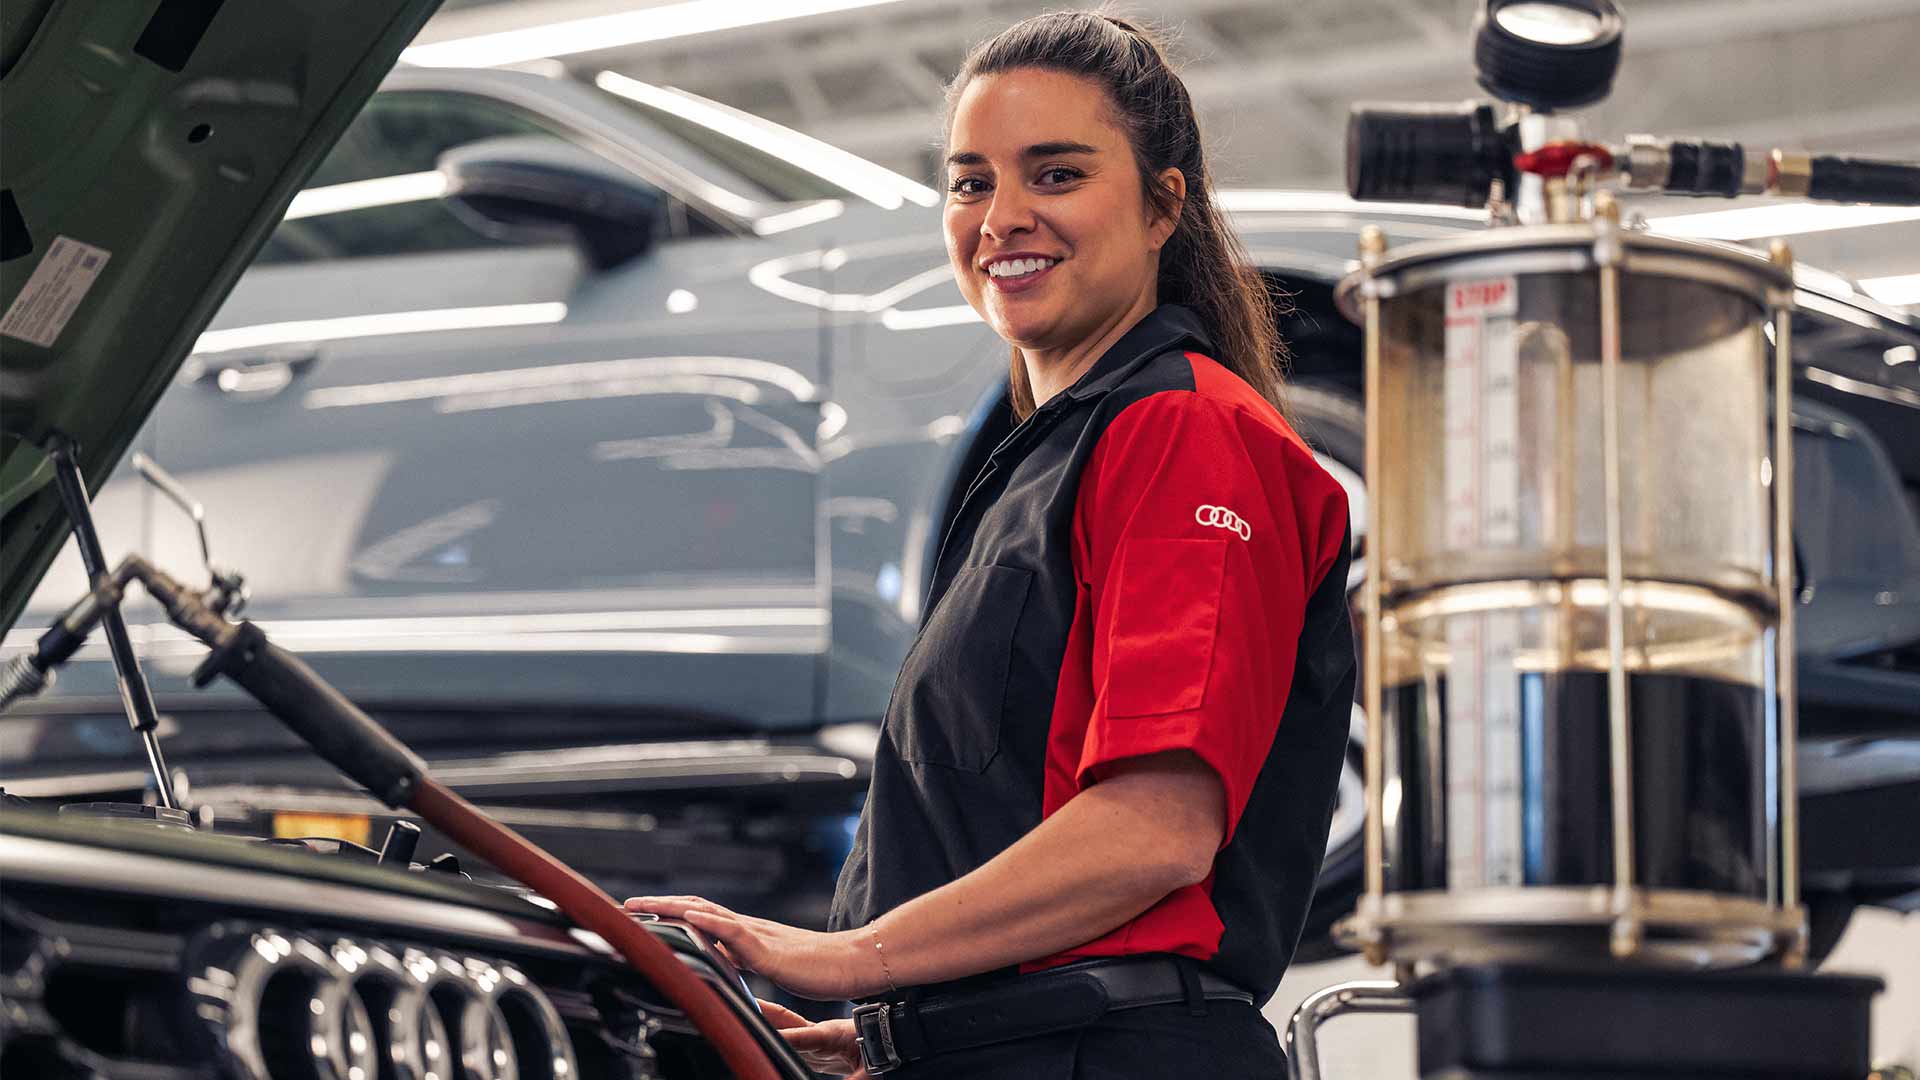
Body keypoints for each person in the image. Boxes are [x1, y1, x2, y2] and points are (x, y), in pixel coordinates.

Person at [625, 11, 1355, 1077]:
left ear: (1163, 207)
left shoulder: (1184, 431)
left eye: (1054, 175)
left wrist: (852, 958)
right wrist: (903, 1031)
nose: (1002, 217)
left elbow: (1155, 830)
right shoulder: (1045, 462)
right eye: (970, 183)